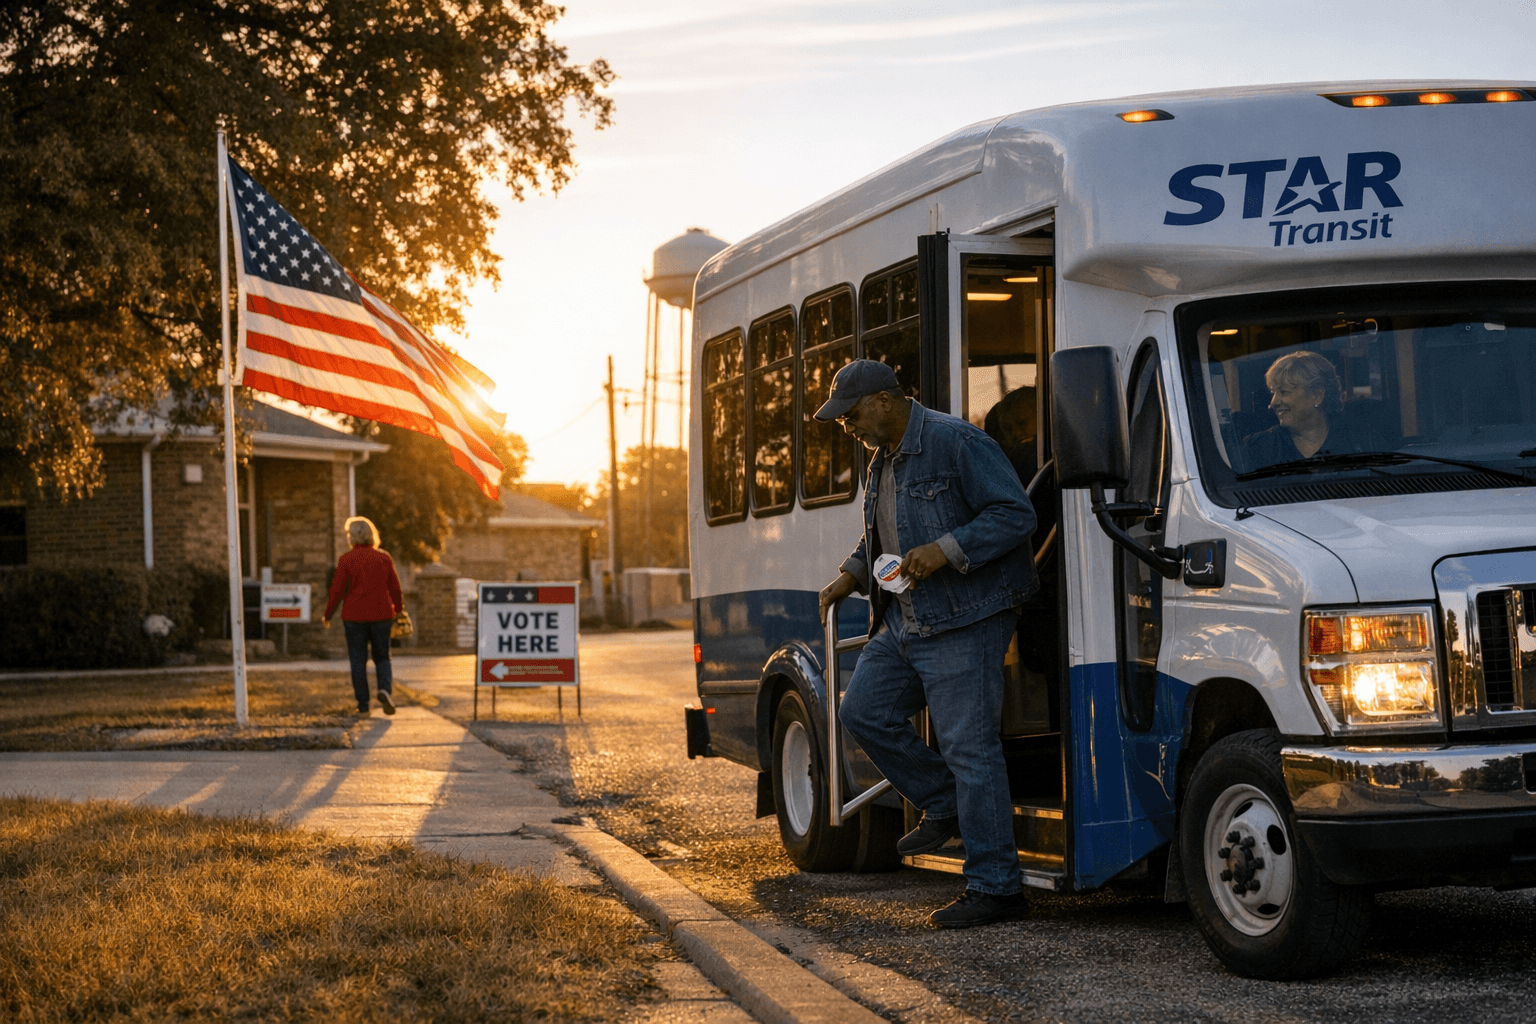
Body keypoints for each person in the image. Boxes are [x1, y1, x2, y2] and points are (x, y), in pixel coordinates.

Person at [815, 359, 1039, 929]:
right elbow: (881, 534)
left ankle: (996, 888)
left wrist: (945, 550)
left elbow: (1016, 515)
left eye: (852, 415)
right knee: (862, 712)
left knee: (970, 750)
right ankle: (944, 803)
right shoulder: (882, 459)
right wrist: (851, 573)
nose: (848, 427)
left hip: (966, 618)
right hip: (906, 619)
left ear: (885, 400)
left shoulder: (956, 442)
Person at [1237, 350, 1381, 471]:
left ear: (1317, 396)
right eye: (1273, 393)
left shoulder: (1364, 441)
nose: (1273, 403)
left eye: (1284, 392)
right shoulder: (1256, 447)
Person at [323, 516, 404, 715]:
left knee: (358, 660)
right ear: (372, 535)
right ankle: (384, 690)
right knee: (382, 657)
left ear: (351, 537)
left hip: (354, 617)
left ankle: (363, 704)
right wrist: (399, 609)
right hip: (382, 615)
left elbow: (337, 591)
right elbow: (395, 587)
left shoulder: (346, 560)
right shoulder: (384, 558)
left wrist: (328, 615)